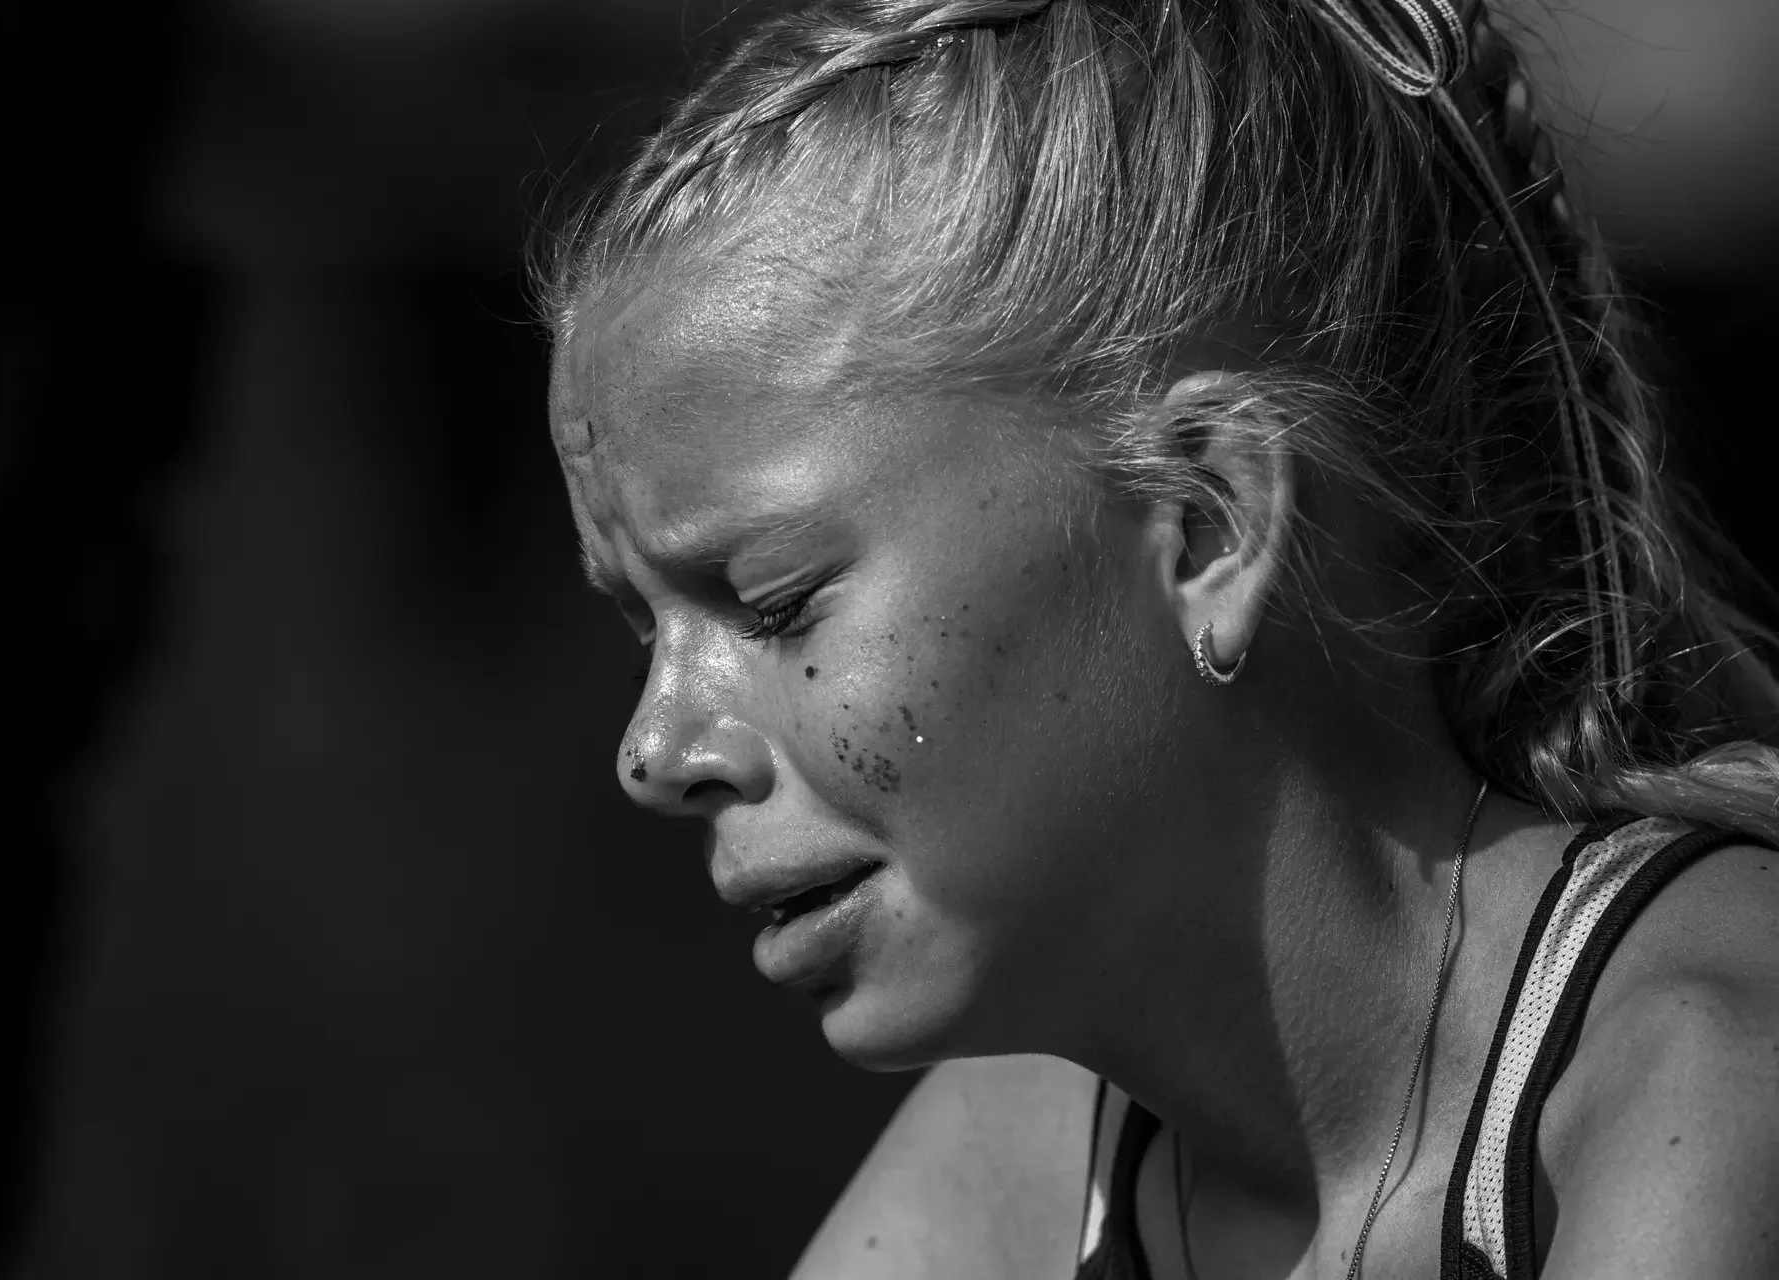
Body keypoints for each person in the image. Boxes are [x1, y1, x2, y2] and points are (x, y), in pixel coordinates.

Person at [538, 1, 1779, 1275]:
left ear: (1205, 527)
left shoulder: (1709, 1071)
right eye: (645, 625)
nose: (653, 748)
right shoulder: (1029, 1142)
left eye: (774, 599)